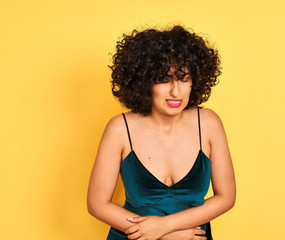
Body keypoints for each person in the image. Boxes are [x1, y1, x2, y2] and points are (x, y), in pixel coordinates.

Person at [87, 25, 236, 240]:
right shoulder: (120, 128)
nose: (175, 91)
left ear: (195, 80)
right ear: (145, 81)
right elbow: (97, 204)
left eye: (183, 78)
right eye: (164, 79)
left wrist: (166, 226)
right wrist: (163, 235)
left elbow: (226, 197)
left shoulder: (209, 123)